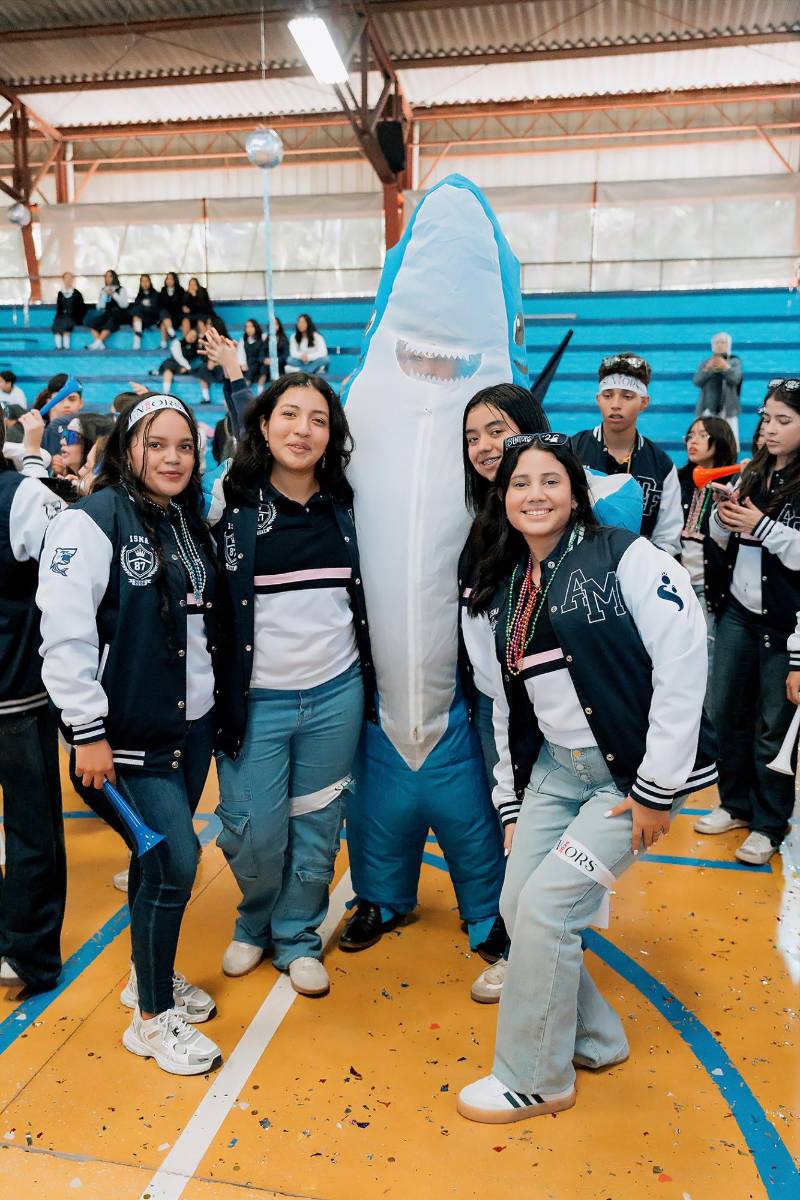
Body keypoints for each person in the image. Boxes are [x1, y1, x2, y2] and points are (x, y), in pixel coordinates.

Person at [456, 433, 715, 1124]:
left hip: (621, 782)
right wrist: (510, 805)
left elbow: (683, 666)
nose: (534, 495)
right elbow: (504, 707)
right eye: (519, 484)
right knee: (517, 907)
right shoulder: (502, 583)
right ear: (501, 497)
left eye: (549, 481)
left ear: (575, 491)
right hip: (552, 772)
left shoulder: (628, 556)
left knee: (548, 910)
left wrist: (655, 790)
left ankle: (536, 1077)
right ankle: (595, 1040)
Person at [37, 394, 222, 1075]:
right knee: (176, 864)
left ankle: (149, 972)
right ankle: (150, 1019)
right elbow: (65, 636)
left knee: (154, 867)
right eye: (157, 444)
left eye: (183, 446)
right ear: (127, 448)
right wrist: (86, 731)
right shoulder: (89, 523)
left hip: (188, 727)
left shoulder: (184, 521)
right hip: (123, 736)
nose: (172, 457)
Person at [212, 370, 376, 996]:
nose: (302, 429)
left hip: (336, 693)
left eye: (317, 419)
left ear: (331, 435)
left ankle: (299, 935)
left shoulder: (345, 505)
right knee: (252, 830)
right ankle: (254, 920)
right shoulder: (229, 503)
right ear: (262, 423)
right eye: (288, 414)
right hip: (255, 702)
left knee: (317, 825)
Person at [695, 379, 800, 865]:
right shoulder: (753, 471)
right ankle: (734, 804)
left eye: (784, 420)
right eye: (766, 418)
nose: (770, 429)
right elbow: (721, 540)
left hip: (784, 624)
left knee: (771, 728)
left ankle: (768, 823)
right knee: (725, 713)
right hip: (737, 612)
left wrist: (760, 526)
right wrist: (723, 516)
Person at [0, 408, 67, 992]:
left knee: (30, 831)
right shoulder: (21, 494)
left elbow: (72, 569)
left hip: (16, 698)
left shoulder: (22, 496)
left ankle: (28, 953)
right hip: (15, 697)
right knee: (29, 829)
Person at [570, 352, 682, 556]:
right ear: (598, 399)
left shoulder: (662, 465)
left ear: (644, 402)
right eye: (608, 395)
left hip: (640, 571)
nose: (615, 404)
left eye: (627, 396)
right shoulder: (572, 451)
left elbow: (668, 538)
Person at [678, 415, 738, 689]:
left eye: (701, 435)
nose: (693, 441)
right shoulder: (678, 480)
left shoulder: (732, 486)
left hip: (710, 586)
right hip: (677, 584)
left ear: (720, 438)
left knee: (707, 659)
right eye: (690, 435)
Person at [693, 333, 743, 448]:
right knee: (706, 441)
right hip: (707, 408)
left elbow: (735, 379)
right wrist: (707, 369)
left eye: (723, 342)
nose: (720, 345)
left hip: (727, 409)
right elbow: (697, 381)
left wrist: (726, 368)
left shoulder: (734, 362)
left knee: (729, 441)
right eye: (717, 342)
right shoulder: (706, 363)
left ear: (729, 344)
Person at [85, 270, 130, 351]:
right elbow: (100, 306)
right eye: (106, 277)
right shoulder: (103, 290)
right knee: (92, 323)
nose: (107, 278)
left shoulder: (121, 289)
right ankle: (100, 344)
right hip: (106, 313)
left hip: (118, 313)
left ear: (114, 277)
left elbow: (124, 305)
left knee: (110, 322)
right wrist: (103, 297)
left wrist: (113, 294)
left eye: (110, 276)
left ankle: (97, 343)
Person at [52, 272, 86, 350]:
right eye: (66, 278)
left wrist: (78, 316)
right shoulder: (60, 293)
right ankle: (58, 347)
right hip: (62, 316)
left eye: (70, 278)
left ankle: (66, 347)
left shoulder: (77, 293)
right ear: (63, 279)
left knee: (67, 325)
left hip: (73, 316)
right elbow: (59, 307)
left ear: (72, 280)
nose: (68, 280)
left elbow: (82, 307)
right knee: (56, 325)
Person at [131, 274, 161, 349]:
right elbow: (135, 307)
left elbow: (154, 308)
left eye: (146, 281)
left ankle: (137, 336)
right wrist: (145, 307)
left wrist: (142, 307)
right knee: (135, 314)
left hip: (152, 318)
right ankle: (137, 338)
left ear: (150, 282)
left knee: (137, 312)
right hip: (142, 318)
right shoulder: (139, 295)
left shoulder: (155, 294)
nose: (145, 283)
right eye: (143, 281)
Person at [258, 316, 289, 386]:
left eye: (276, 324)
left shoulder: (284, 339)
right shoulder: (266, 339)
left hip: (279, 364)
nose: (273, 327)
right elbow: (261, 353)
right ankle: (260, 389)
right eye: (271, 325)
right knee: (263, 370)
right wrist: (264, 359)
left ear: (279, 326)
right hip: (267, 365)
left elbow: (286, 356)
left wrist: (275, 361)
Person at [158, 273, 184, 348]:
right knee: (163, 315)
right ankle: (171, 334)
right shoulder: (163, 290)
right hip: (166, 316)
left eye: (171, 279)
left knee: (164, 322)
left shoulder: (180, 290)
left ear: (175, 280)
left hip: (176, 317)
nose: (169, 281)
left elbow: (179, 305)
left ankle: (164, 344)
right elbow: (161, 304)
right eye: (167, 279)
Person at [237, 319, 264, 386]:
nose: (249, 329)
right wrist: (243, 364)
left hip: (258, 364)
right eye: (247, 327)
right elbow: (240, 354)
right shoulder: (243, 340)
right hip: (248, 365)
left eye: (251, 326)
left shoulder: (262, 338)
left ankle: (248, 382)